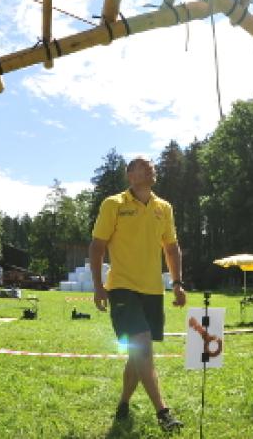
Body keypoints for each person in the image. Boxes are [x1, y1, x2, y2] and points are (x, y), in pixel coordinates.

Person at [89, 156, 186, 432]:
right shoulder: (114, 204)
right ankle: (163, 412)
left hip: (153, 291)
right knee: (143, 346)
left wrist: (177, 282)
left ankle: (123, 404)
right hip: (122, 287)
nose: (151, 167)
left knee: (136, 354)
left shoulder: (163, 207)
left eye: (151, 165)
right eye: (142, 165)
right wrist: (98, 286)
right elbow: (97, 247)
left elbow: (171, 247)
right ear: (130, 175)